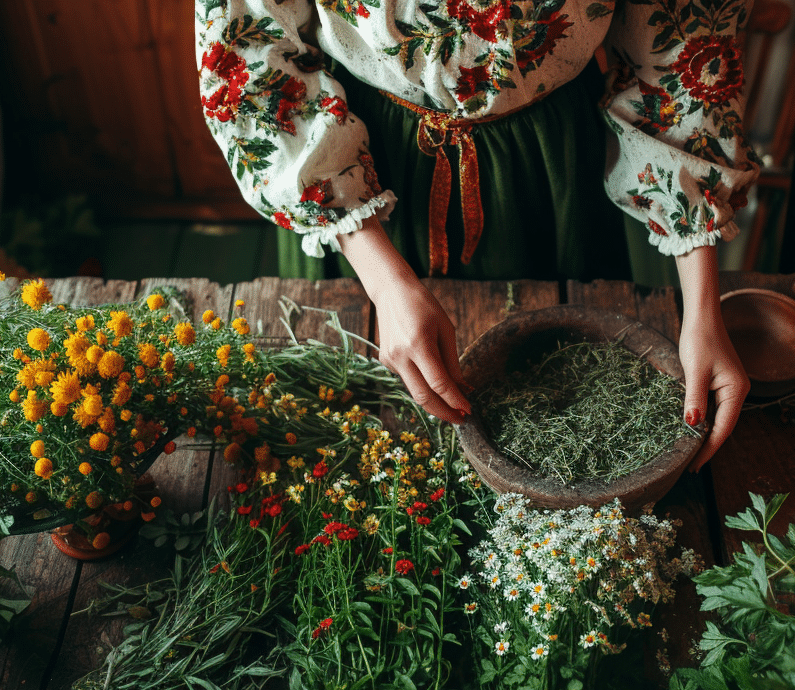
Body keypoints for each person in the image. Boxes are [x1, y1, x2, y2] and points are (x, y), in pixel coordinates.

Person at [196, 0, 760, 470]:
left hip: (549, 170)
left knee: (557, 371)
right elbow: (247, 49)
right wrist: (384, 283)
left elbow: (687, 45)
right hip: (353, 167)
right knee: (364, 421)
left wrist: (704, 311)